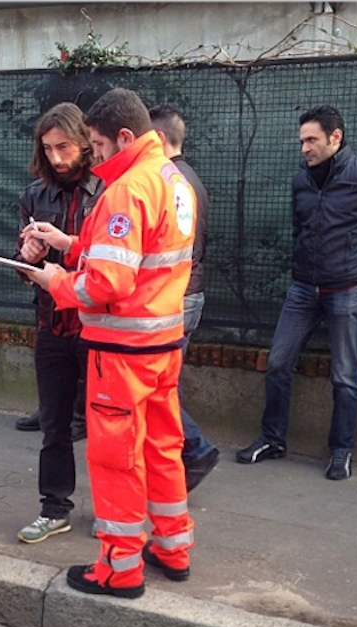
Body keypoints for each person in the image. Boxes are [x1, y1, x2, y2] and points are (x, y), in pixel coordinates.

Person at [26, 87, 196, 599]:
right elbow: (140, 252)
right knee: (163, 449)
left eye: (97, 146)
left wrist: (55, 279)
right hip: (161, 348)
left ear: (124, 137)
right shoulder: (172, 178)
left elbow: (107, 284)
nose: (93, 156)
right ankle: (172, 547)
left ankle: (119, 568)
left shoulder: (127, 188)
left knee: (116, 458)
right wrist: (72, 244)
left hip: (120, 356)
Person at [236, 105, 357, 480]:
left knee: (344, 375)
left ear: (336, 137)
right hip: (304, 288)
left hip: (349, 290)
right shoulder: (301, 180)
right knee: (277, 363)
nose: (304, 148)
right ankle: (273, 439)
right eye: (302, 140)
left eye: (312, 140)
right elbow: (300, 227)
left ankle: (341, 450)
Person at [14, 102, 104, 544]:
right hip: (52, 324)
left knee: (106, 423)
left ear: (85, 143)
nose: (55, 157)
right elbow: (22, 263)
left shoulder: (108, 191)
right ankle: (54, 508)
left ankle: (112, 509)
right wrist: (26, 258)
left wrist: (68, 247)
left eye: (63, 147)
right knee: (54, 424)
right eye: (47, 148)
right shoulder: (34, 194)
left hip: (98, 326)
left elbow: (111, 265)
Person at [149, 104, 220, 492]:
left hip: (176, 297)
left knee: (157, 388)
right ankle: (185, 453)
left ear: (158, 139)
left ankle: (194, 449)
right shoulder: (189, 179)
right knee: (162, 385)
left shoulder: (170, 181)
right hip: (189, 294)